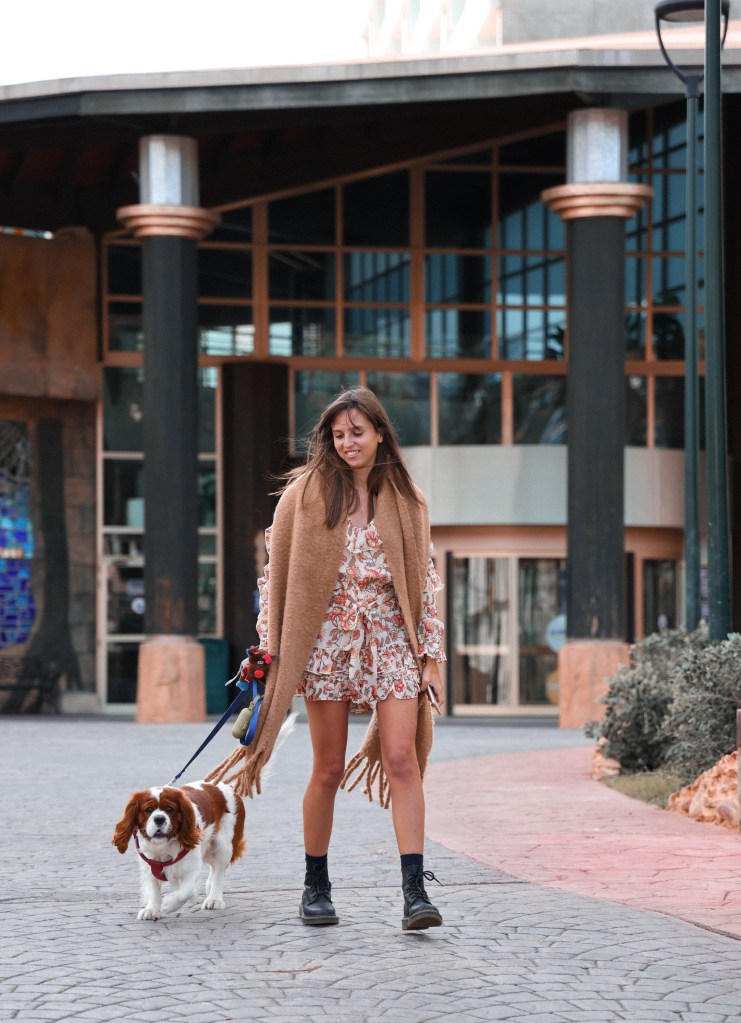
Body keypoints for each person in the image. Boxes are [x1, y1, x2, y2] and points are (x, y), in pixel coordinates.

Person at [207, 387, 446, 931]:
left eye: (357, 432)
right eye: (338, 435)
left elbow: (424, 582)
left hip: (390, 641)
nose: (347, 443)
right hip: (326, 645)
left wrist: (430, 658)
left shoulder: (407, 500)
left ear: (380, 433)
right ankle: (315, 886)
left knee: (402, 758)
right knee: (329, 766)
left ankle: (415, 893)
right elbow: (276, 580)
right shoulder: (304, 496)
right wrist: (268, 650)